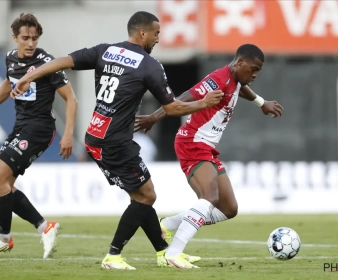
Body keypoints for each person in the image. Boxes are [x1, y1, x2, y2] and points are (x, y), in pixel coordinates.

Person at [13, 11, 223, 270]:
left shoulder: (104, 51)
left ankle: (163, 252)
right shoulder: (149, 65)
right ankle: (113, 256)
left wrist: (28, 76)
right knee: (146, 196)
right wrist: (203, 103)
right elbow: (172, 108)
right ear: (143, 33)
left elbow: (63, 62)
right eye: (156, 33)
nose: (158, 38)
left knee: (141, 194)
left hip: (96, 136)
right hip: (115, 142)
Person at [135, 44, 283, 268]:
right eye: (253, 69)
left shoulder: (235, 80)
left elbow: (239, 88)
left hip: (207, 147)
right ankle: (173, 253)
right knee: (209, 197)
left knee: (229, 208)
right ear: (240, 62)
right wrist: (155, 117)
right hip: (192, 141)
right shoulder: (218, 79)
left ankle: (167, 224)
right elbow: (184, 96)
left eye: (258, 71)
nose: (255, 74)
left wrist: (261, 103)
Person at [0, 13, 77, 258]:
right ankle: (45, 227)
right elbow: (8, 83)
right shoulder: (11, 58)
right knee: (5, 185)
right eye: (26, 38)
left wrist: (68, 134)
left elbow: (71, 98)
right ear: (15, 38)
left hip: (40, 128)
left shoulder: (47, 63)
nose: (31, 43)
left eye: (35, 38)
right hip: (21, 127)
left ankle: (3, 238)